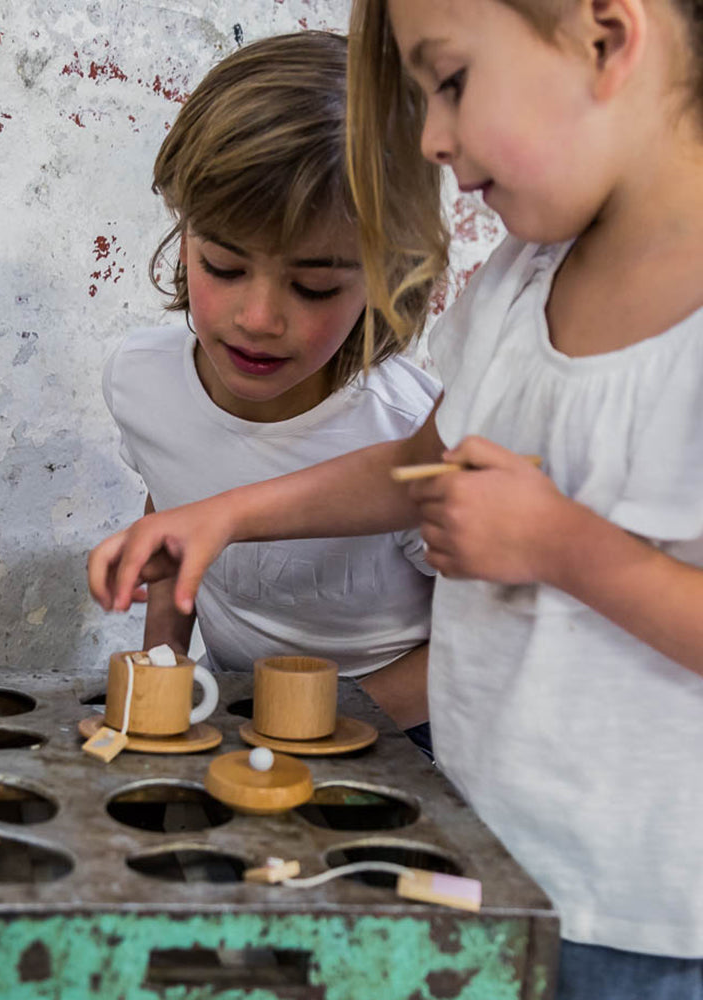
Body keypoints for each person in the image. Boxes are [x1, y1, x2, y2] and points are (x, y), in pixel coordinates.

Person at [89, 0, 703, 996]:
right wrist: (225, 513)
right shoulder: (523, 277)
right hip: (474, 846)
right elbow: (422, 462)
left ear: (605, 34)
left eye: (448, 82)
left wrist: (560, 545)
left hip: (638, 909)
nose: (429, 140)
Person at [102, 31, 446, 738]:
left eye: (315, 285)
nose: (259, 319)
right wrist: (162, 658)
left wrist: (310, 724)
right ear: (183, 232)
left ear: (383, 273)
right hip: (240, 713)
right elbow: (174, 502)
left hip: (404, 729)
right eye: (223, 267)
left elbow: (482, 644)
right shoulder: (141, 382)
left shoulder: (409, 430)